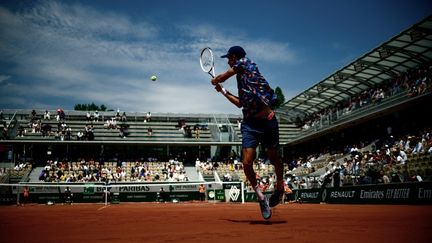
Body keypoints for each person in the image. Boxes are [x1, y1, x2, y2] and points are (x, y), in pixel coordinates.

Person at [211, 46, 284, 220]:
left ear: (234, 57)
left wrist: (217, 80)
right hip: (250, 124)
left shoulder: (246, 63)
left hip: (268, 121)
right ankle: (260, 197)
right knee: (246, 161)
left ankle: (280, 185)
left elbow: (223, 76)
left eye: (229, 58)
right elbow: (239, 104)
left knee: (274, 158)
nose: (228, 61)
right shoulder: (242, 80)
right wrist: (222, 91)